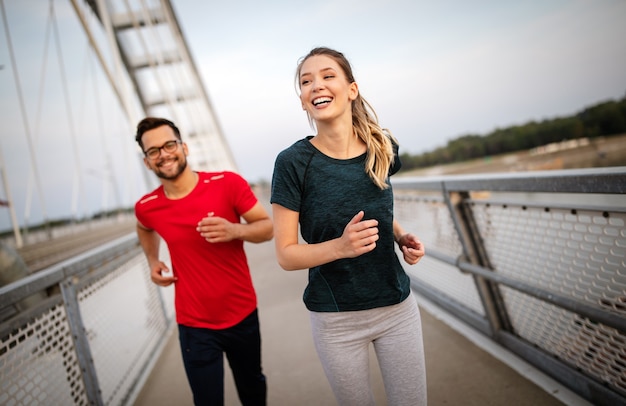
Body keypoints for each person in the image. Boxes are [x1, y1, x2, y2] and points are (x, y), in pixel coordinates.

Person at [270, 47, 427, 406]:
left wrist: (400, 235)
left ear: (351, 89)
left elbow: (377, 206)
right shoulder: (292, 163)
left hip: (397, 307)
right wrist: (340, 247)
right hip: (336, 322)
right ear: (302, 101)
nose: (316, 86)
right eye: (306, 81)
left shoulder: (381, 146)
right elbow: (286, 254)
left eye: (327, 76)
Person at [133, 117, 272, 406]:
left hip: (242, 313)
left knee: (252, 389)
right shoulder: (147, 207)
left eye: (169, 144)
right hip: (194, 324)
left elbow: (267, 228)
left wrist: (234, 230)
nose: (164, 154)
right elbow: (144, 226)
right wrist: (152, 260)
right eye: (153, 151)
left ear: (183, 147)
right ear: (147, 162)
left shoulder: (227, 183)